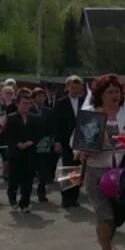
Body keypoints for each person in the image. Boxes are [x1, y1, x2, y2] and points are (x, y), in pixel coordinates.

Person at [76, 74, 125, 250]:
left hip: (123, 173)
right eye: (110, 92)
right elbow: (77, 145)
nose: (115, 95)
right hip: (97, 172)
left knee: (116, 219)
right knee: (104, 216)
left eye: (117, 91)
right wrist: (82, 152)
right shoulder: (89, 114)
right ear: (100, 95)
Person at [1, 90, 44, 213]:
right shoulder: (11, 118)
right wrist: (17, 144)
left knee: (28, 180)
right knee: (14, 179)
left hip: (30, 152)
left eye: (29, 103)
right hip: (15, 153)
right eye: (24, 103)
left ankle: (25, 203)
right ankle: (12, 197)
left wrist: (31, 142)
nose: (26, 106)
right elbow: (7, 136)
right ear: (18, 104)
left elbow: (39, 134)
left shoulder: (35, 118)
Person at [53, 75, 88, 209]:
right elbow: (56, 123)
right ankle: (66, 197)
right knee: (68, 168)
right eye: (72, 87)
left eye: (77, 87)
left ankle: (74, 197)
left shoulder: (85, 102)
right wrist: (57, 141)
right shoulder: (61, 102)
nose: (75, 89)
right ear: (67, 88)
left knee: (77, 169)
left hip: (81, 140)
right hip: (65, 141)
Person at [32, 87, 56, 203]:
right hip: (31, 144)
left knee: (43, 170)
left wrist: (52, 138)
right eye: (39, 96)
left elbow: (52, 127)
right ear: (34, 98)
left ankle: (41, 193)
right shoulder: (29, 110)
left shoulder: (49, 111)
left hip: (44, 144)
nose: (41, 98)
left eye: (43, 96)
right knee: (30, 169)